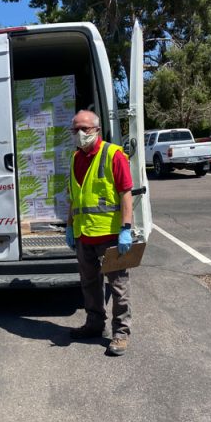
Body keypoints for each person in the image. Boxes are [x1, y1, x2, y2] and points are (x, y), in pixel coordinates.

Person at [65, 110, 134, 356]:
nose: (79, 134)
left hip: (110, 236)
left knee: (118, 286)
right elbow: (74, 197)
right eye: (75, 130)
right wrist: (69, 226)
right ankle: (94, 325)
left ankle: (121, 333)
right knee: (89, 284)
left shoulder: (113, 154)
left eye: (84, 128)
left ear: (96, 128)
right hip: (84, 235)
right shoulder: (75, 158)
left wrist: (126, 229)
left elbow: (126, 192)